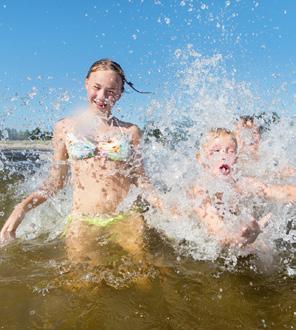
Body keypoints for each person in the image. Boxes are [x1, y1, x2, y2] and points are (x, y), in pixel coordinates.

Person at [0, 59, 154, 267]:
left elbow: (141, 180)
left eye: (110, 91)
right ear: (86, 84)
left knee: (143, 272)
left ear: (119, 93)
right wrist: (22, 208)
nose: (102, 97)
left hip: (124, 216)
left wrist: (169, 207)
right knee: (81, 282)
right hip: (83, 218)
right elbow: (55, 182)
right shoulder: (65, 128)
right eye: (97, 88)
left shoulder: (130, 131)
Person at [190, 128, 296, 249]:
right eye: (216, 151)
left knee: (264, 249)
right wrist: (238, 237)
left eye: (230, 151)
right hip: (180, 219)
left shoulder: (241, 183)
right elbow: (218, 233)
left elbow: (282, 193)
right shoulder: (199, 191)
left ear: (235, 160)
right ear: (202, 160)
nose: (224, 156)